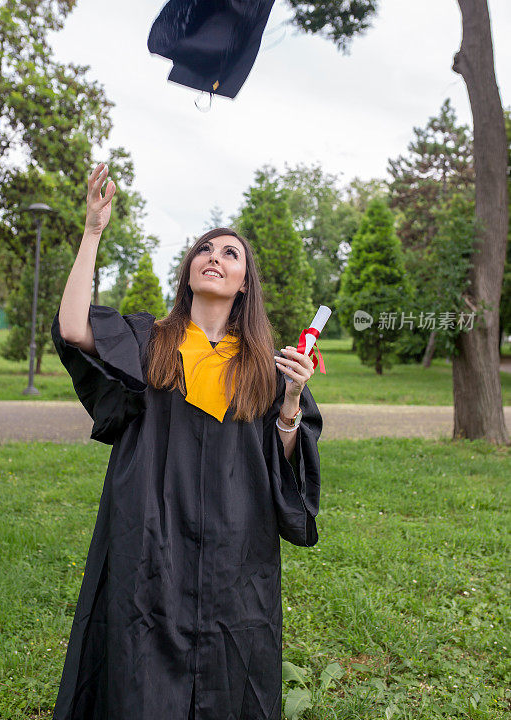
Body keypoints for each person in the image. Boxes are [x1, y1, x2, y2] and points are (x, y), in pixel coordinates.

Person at [50, 162, 322, 720]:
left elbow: (284, 467)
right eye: (205, 250)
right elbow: (75, 328)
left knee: (233, 658)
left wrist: (291, 406)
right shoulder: (151, 340)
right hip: (151, 529)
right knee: (140, 653)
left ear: (244, 283)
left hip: (235, 542)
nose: (214, 258)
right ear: (189, 270)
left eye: (230, 254)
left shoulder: (267, 369)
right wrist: (93, 233)